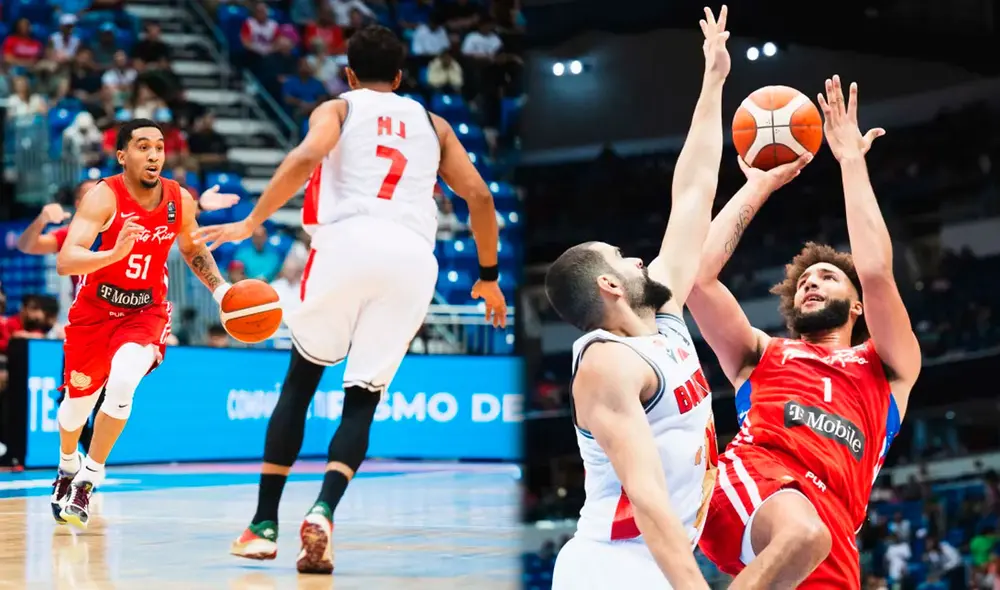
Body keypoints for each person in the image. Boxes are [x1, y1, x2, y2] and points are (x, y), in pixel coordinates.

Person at [192, 25, 508, 574]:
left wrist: (253, 220)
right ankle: (324, 510)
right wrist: (488, 275)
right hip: (412, 258)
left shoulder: (338, 108)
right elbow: (480, 196)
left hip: (345, 243)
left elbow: (305, 158)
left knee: (301, 380)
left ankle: (264, 524)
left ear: (349, 73)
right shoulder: (434, 124)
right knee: (363, 397)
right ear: (402, 76)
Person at [689, 76, 919, 589]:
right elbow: (698, 281)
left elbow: (877, 271)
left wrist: (851, 159)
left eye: (827, 277)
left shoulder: (889, 370)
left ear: (857, 305)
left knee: (811, 536)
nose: (811, 283)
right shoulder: (764, 353)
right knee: (801, 534)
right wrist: (759, 183)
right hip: (758, 480)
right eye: (804, 283)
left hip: (835, 523)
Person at [540, 8, 730, 589]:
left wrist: (714, 80)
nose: (639, 259)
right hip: (614, 567)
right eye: (623, 257)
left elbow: (693, 193)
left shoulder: (663, 321)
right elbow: (646, 499)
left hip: (657, 560)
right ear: (610, 285)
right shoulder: (605, 365)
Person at [49, 118, 237, 529]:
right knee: (75, 408)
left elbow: (192, 247)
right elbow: (66, 260)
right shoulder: (103, 197)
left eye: (159, 147)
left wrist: (222, 291)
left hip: (145, 310)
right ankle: (67, 465)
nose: (154, 155)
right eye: (142, 147)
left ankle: (89, 478)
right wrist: (112, 254)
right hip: (95, 312)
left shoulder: (178, 198)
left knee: (123, 380)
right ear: (122, 156)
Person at [17, 180, 239, 456]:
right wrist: (42, 219)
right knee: (76, 405)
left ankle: (91, 470)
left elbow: (168, 220)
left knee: (116, 392)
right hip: (88, 324)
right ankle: (71, 461)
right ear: (81, 205)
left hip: (132, 318)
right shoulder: (72, 236)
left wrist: (199, 206)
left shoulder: (130, 220)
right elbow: (27, 245)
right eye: (92, 195)